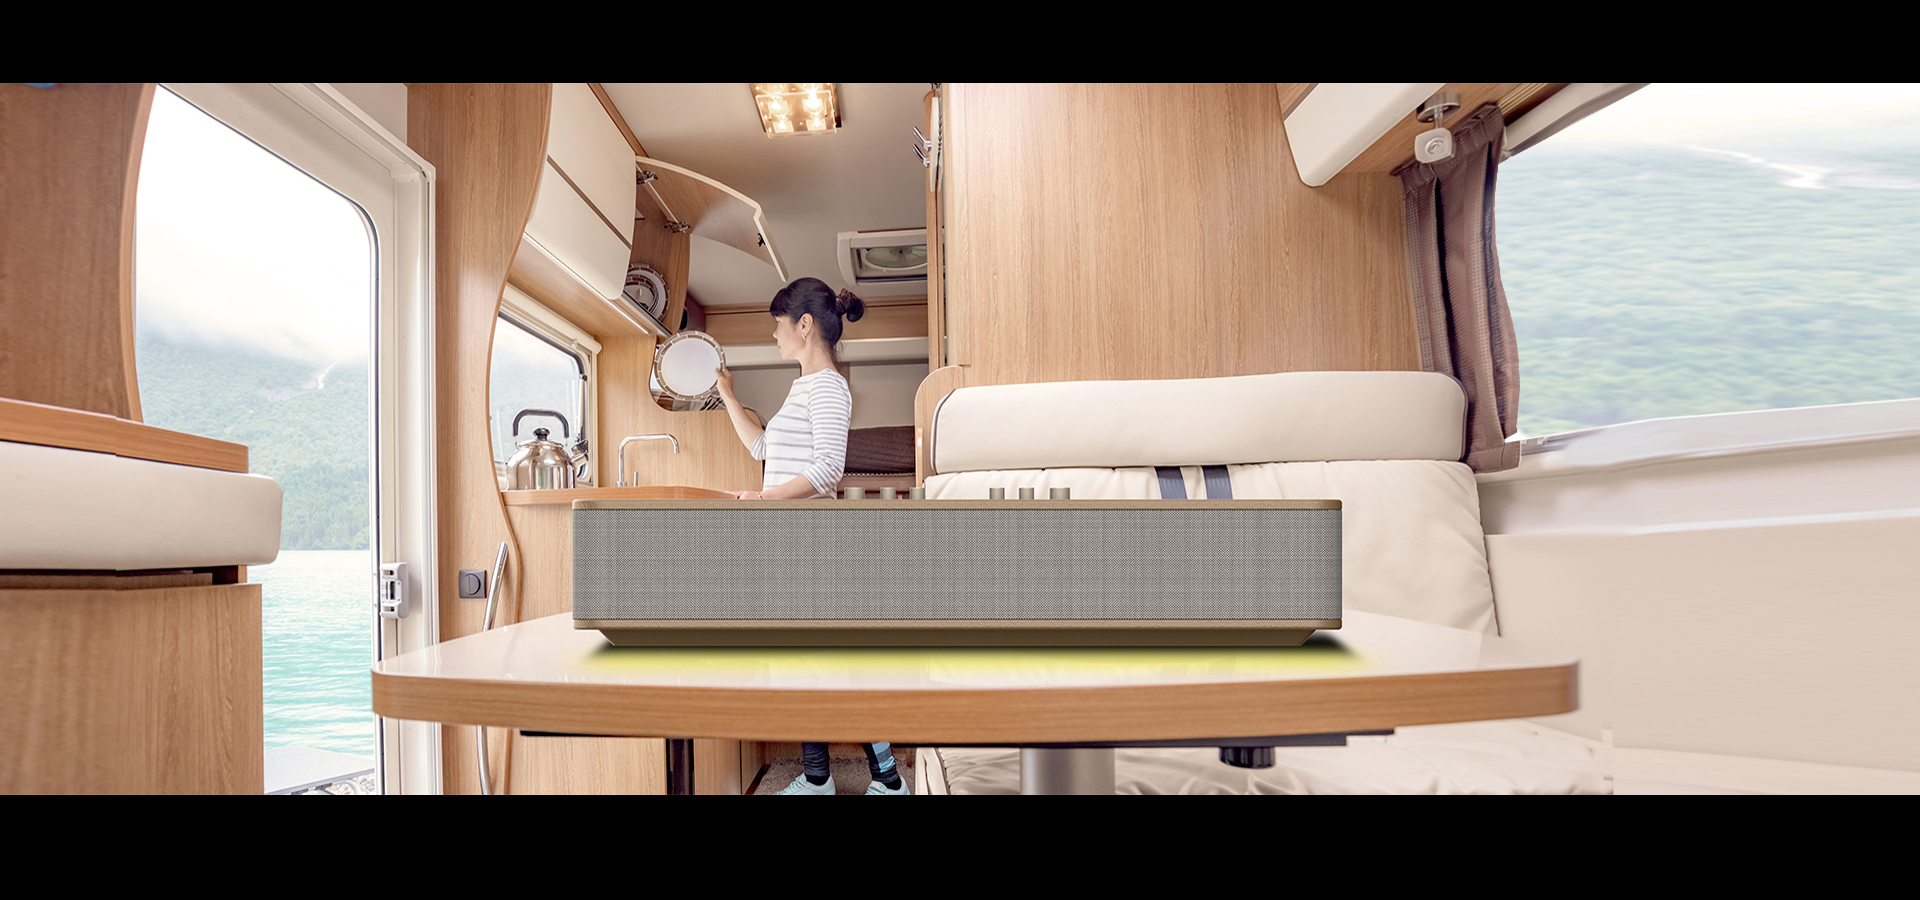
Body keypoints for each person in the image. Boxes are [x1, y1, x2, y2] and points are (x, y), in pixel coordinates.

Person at [715, 276, 908, 796]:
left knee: (834, 665)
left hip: (813, 545)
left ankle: (888, 780)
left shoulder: (827, 387)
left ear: (804, 325)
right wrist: (728, 396)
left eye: (779, 325)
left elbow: (827, 470)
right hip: (793, 543)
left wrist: (764, 499)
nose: (774, 334)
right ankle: (821, 777)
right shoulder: (803, 387)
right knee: (808, 663)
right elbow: (762, 449)